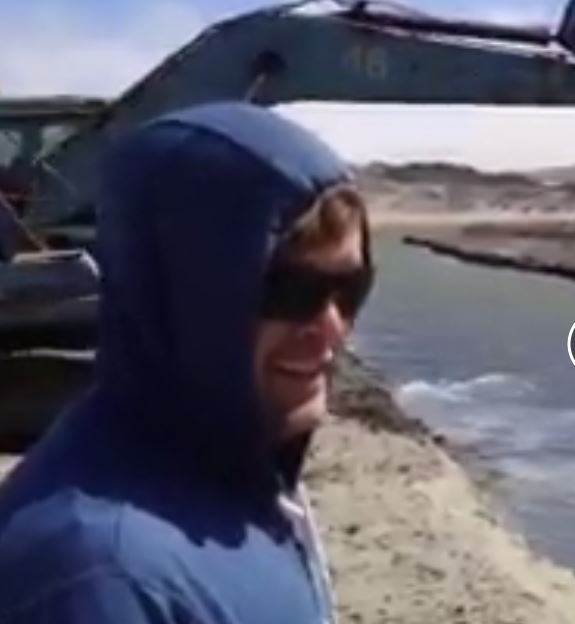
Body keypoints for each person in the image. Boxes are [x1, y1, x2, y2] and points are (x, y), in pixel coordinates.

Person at [0, 102, 374, 623]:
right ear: (181, 298)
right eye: (292, 291)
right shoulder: (101, 581)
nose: (331, 327)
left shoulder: (234, 471)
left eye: (350, 288)